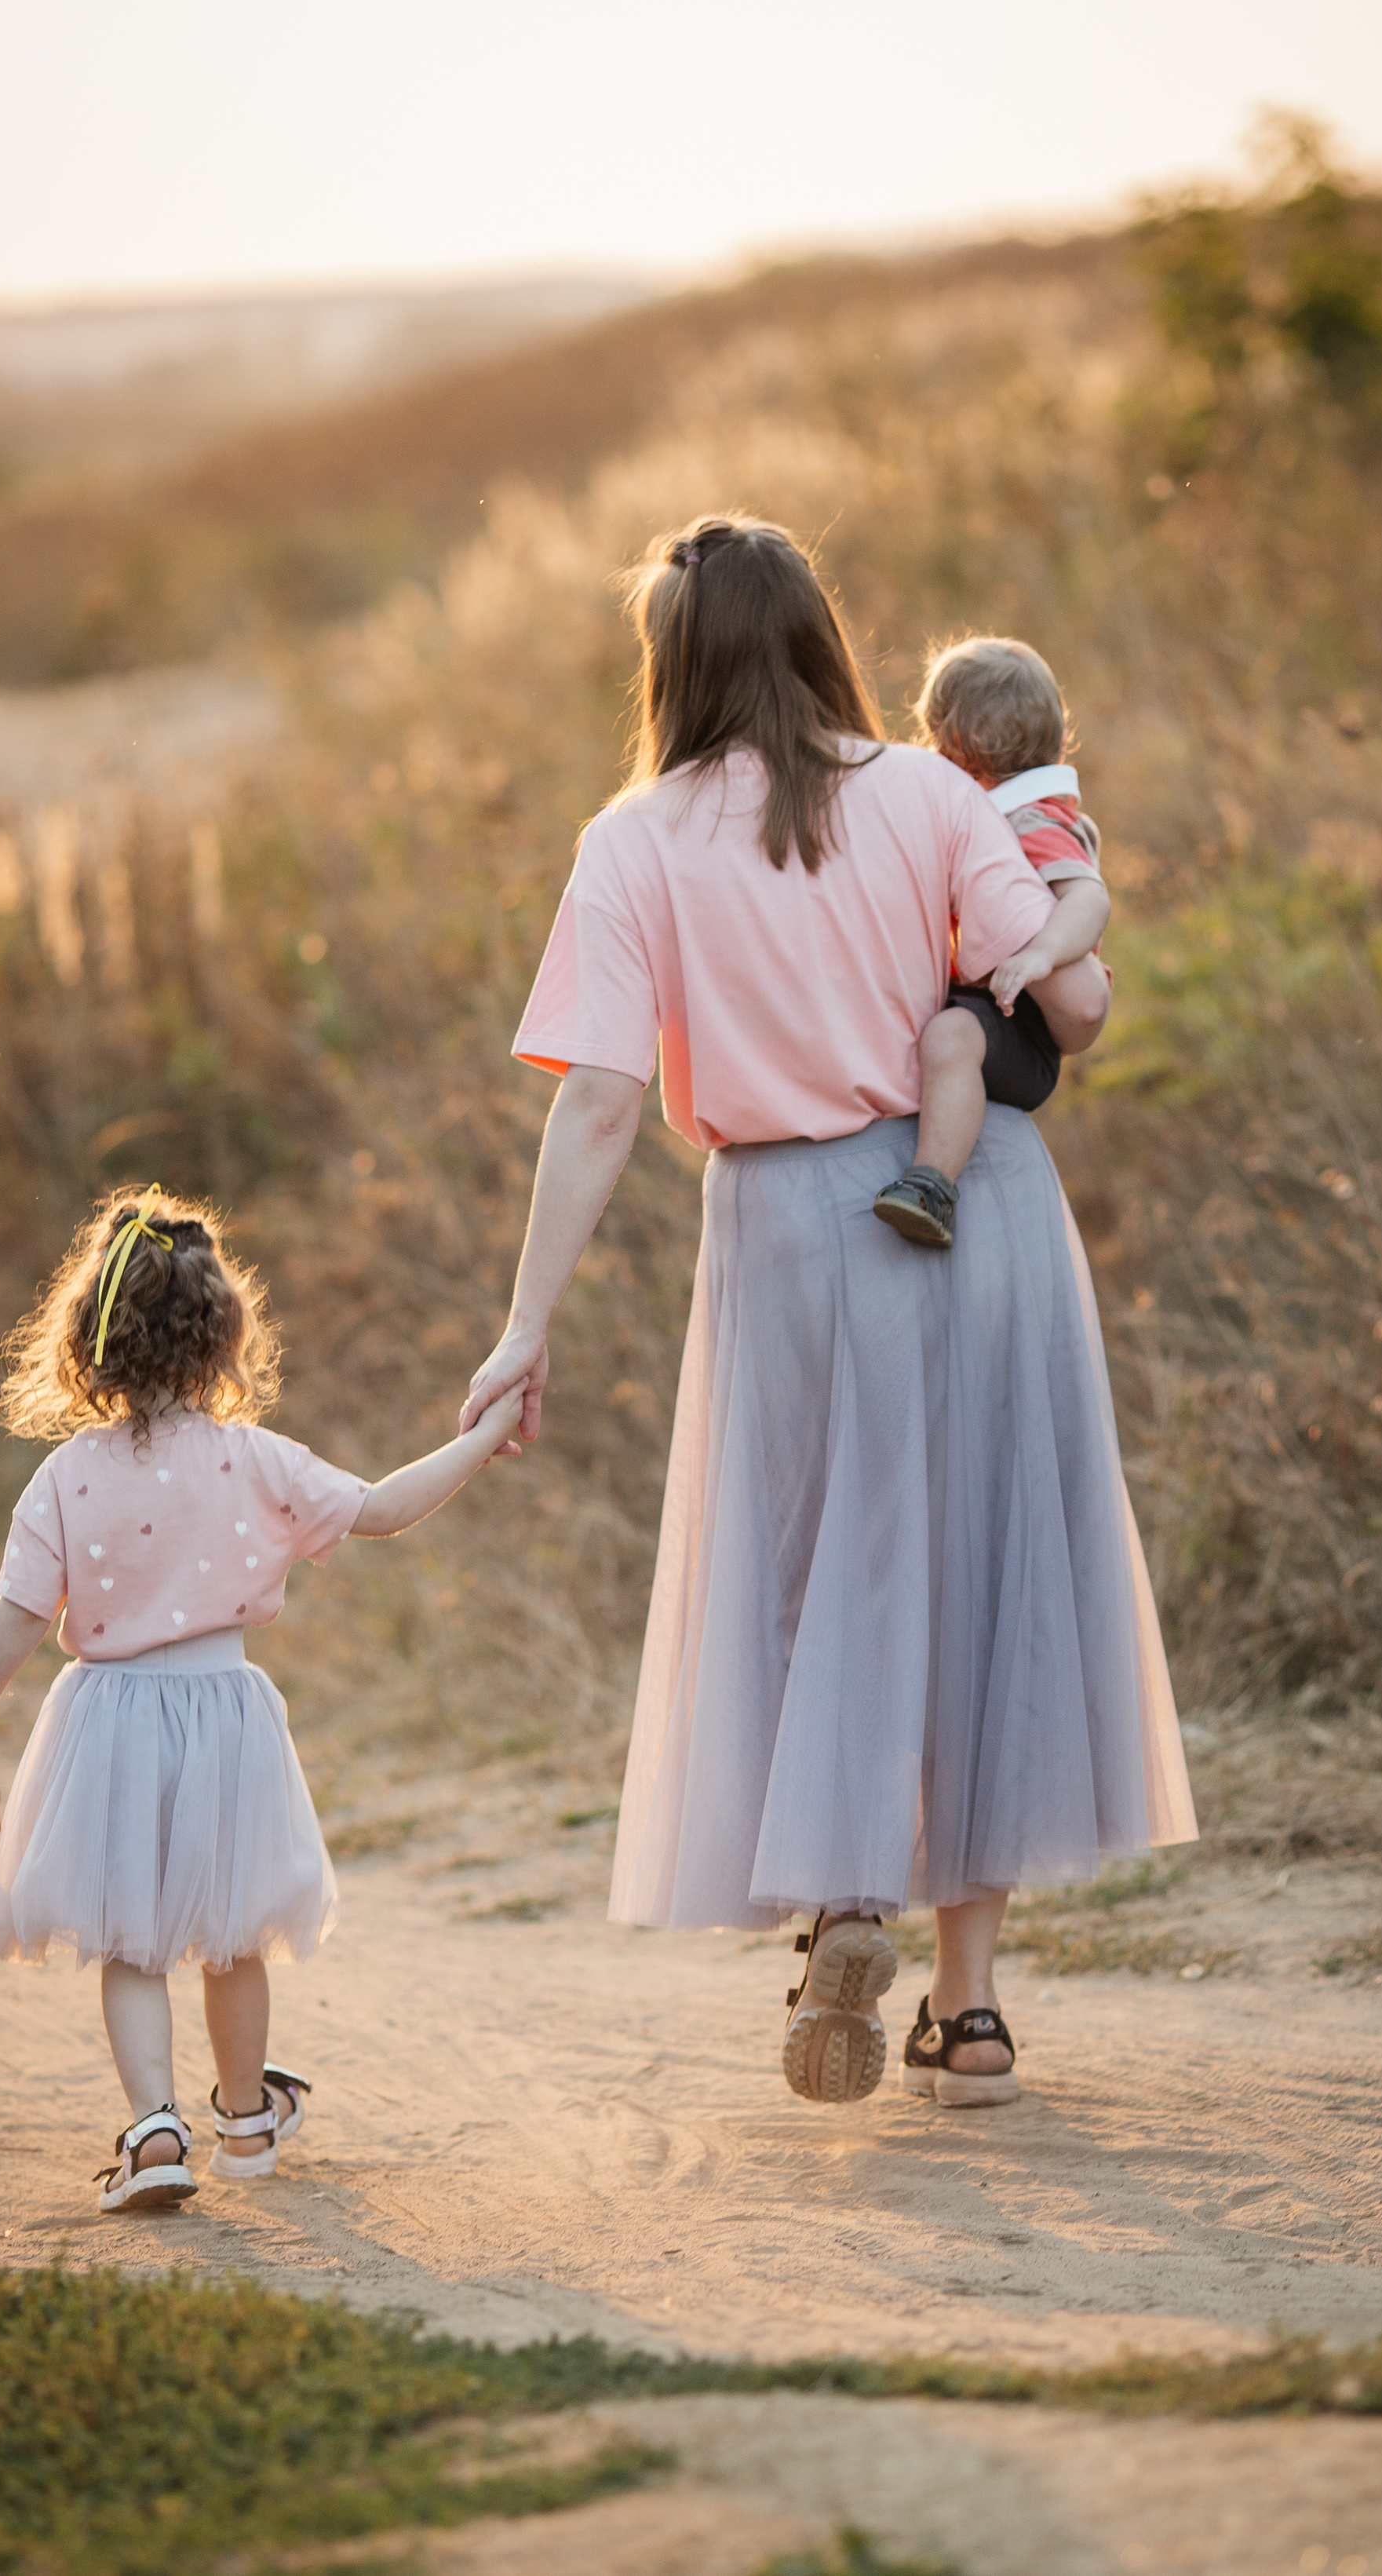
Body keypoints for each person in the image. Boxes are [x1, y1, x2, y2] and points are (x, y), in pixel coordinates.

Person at [461, 515, 1197, 2113]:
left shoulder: (632, 841)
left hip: (792, 1223)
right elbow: (1070, 999)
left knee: (816, 1572)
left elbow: (596, 1101)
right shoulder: (931, 791)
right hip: (977, 1204)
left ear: (667, 661)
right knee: (976, 1576)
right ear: (816, 635)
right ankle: (973, 2013)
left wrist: (526, 1325)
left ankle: (843, 1892)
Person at [0, 1186, 523, 2212]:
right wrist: (481, 1437)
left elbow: (21, 1612)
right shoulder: (256, 1459)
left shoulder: (67, 1476)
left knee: (132, 1941)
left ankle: (156, 2130)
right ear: (223, 1339)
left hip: (107, 1722)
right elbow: (379, 1509)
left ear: (90, 1343)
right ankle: (246, 2126)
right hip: (223, 1716)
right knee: (230, 1934)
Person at [873, 634, 1113, 1250]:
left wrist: (1040, 955)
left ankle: (932, 1186)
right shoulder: (991, 812)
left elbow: (1088, 897)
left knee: (949, 1037)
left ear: (956, 753)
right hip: (995, 1007)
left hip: (1023, 1019)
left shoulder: (1030, 820)